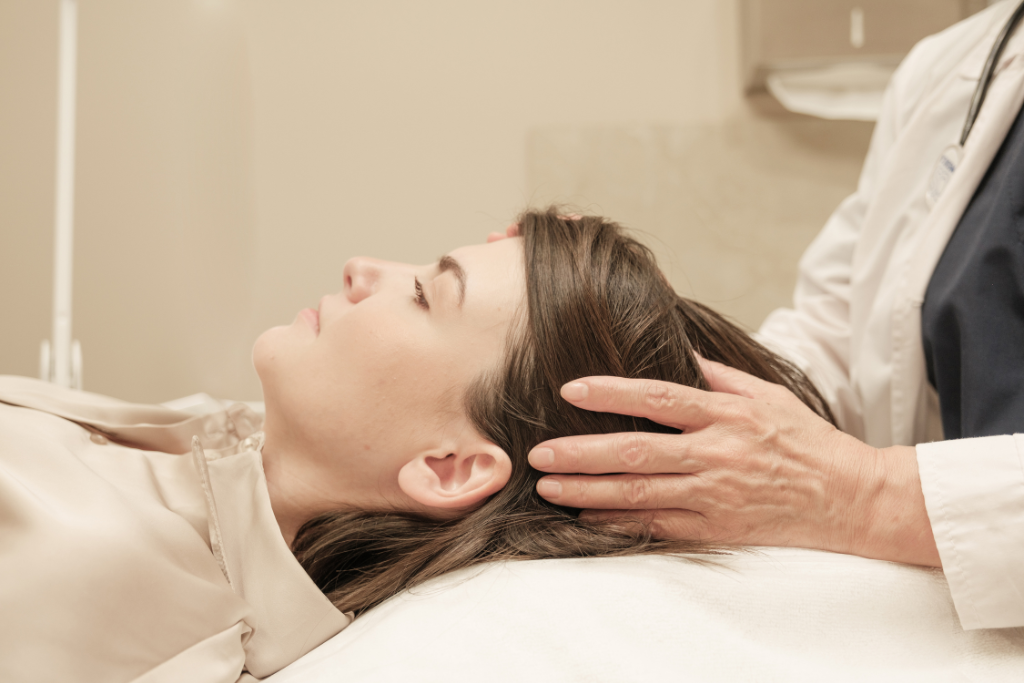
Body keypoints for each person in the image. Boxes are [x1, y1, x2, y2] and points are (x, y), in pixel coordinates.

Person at [0, 210, 832, 683]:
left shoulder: (98, 567)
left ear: (449, 466)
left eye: (428, 294)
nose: (363, 268)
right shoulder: (202, 453)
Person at [525, 0, 1024, 631]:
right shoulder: (956, 65)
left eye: (428, 293)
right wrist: (643, 332)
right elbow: (837, 336)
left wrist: (865, 494)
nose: (361, 274)